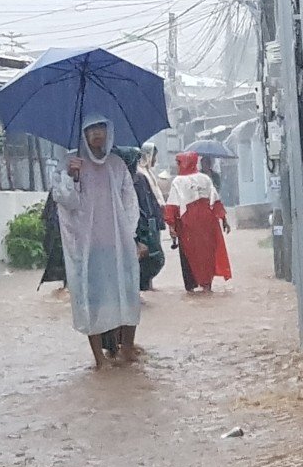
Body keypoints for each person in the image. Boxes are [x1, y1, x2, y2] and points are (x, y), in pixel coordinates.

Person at [48, 115, 143, 367]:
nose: (96, 133)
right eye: (91, 129)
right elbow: (65, 200)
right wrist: (72, 177)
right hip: (87, 245)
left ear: (109, 131)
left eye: (101, 128)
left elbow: (130, 204)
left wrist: (130, 237)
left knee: (127, 293)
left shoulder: (116, 165)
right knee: (91, 298)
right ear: (84, 134)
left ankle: (126, 350)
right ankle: (99, 359)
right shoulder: (70, 163)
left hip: (116, 244)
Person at [164, 153, 232, 293]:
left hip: (187, 226)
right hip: (208, 224)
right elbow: (216, 201)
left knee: (189, 256)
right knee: (207, 254)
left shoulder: (178, 181)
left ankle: (191, 287)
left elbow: (172, 207)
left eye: (179, 163)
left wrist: (171, 228)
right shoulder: (205, 179)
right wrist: (224, 220)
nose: (177, 166)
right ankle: (207, 286)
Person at [117, 146, 165, 291]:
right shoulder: (132, 178)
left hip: (142, 226)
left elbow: (150, 202)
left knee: (149, 261)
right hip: (135, 228)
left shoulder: (140, 177)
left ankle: (143, 289)